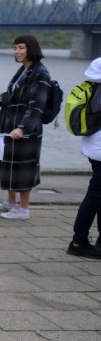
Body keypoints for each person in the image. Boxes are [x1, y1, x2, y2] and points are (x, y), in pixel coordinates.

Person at [0, 35, 51, 220]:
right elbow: (17, 97)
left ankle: (24, 209)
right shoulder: (23, 70)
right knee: (9, 164)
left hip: (26, 128)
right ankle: (11, 203)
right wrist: (3, 99)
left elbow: (36, 105)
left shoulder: (40, 73)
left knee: (24, 168)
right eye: (15, 48)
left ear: (31, 49)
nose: (16, 52)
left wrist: (22, 128)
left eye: (21, 48)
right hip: (10, 124)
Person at [66, 57, 101, 258]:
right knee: (95, 195)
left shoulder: (91, 83)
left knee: (99, 195)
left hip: (92, 147)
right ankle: (78, 242)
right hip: (100, 148)